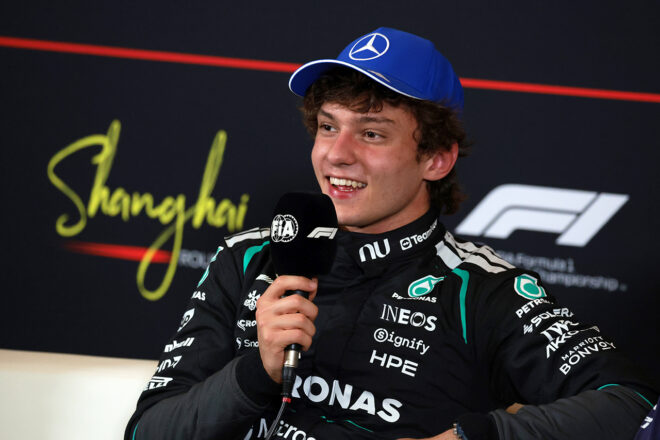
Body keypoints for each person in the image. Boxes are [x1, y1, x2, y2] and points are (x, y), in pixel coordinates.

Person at [125, 27, 658, 440]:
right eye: (328, 126)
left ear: (436, 158)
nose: (336, 154)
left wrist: (471, 437)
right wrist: (254, 372)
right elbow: (147, 432)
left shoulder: (482, 291)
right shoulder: (246, 259)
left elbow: (632, 403)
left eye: (372, 133)